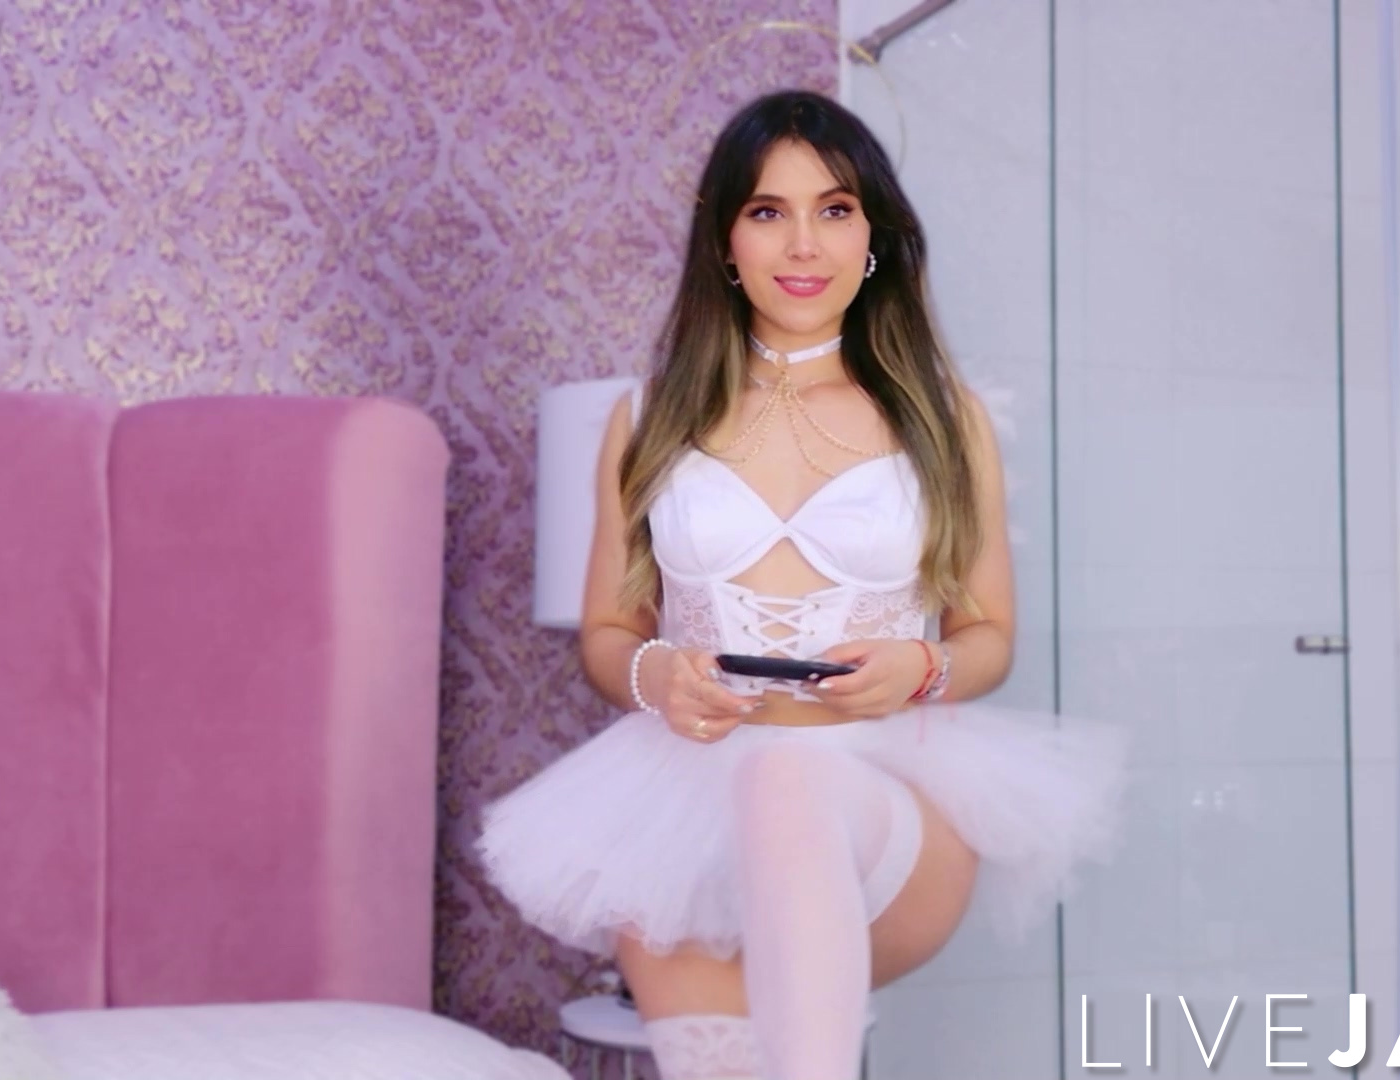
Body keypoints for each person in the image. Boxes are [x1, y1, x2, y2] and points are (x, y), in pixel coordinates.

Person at [478, 89, 1129, 1080]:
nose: (802, 244)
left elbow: (990, 634)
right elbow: (609, 632)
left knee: (784, 777)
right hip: (678, 817)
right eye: (767, 211)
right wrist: (658, 677)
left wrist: (919, 668)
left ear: (873, 237)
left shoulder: (942, 415)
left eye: (834, 210)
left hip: (883, 796)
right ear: (724, 241)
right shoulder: (646, 417)